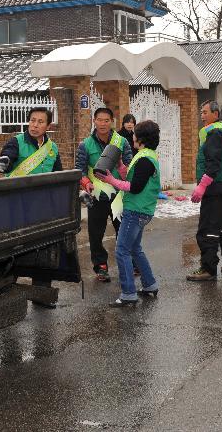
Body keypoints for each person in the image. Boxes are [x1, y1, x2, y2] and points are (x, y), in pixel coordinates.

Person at [95, 120, 161, 307]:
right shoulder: (145, 156)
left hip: (136, 210)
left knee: (122, 250)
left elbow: (134, 187)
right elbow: (133, 178)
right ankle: (149, 285)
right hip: (142, 210)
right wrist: (121, 167)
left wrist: (110, 180)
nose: (131, 136)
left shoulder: (145, 159)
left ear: (140, 139)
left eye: (135, 134)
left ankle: (128, 294)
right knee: (134, 249)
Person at [75, 107, 133, 282]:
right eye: (99, 120)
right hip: (96, 195)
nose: (103, 124)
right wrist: (86, 183)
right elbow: (80, 170)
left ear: (112, 122)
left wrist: (123, 170)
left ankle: (130, 263)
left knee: (123, 231)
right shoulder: (85, 145)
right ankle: (100, 266)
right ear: (94, 121)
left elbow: (131, 166)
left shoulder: (122, 142)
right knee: (95, 232)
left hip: (119, 195)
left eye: (106, 120)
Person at [186, 100, 222, 281]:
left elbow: (213, 163)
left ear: (216, 114)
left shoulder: (215, 132)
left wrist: (202, 186)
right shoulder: (221, 130)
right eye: (201, 113)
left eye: (205, 112)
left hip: (215, 188)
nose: (202, 116)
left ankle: (208, 269)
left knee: (208, 229)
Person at [0, 107, 62, 176]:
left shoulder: (52, 147)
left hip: (45, 187)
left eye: (40, 122)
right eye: (32, 120)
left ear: (48, 126)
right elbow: (8, 156)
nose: (35, 125)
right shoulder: (17, 142)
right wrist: (4, 162)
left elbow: (58, 176)